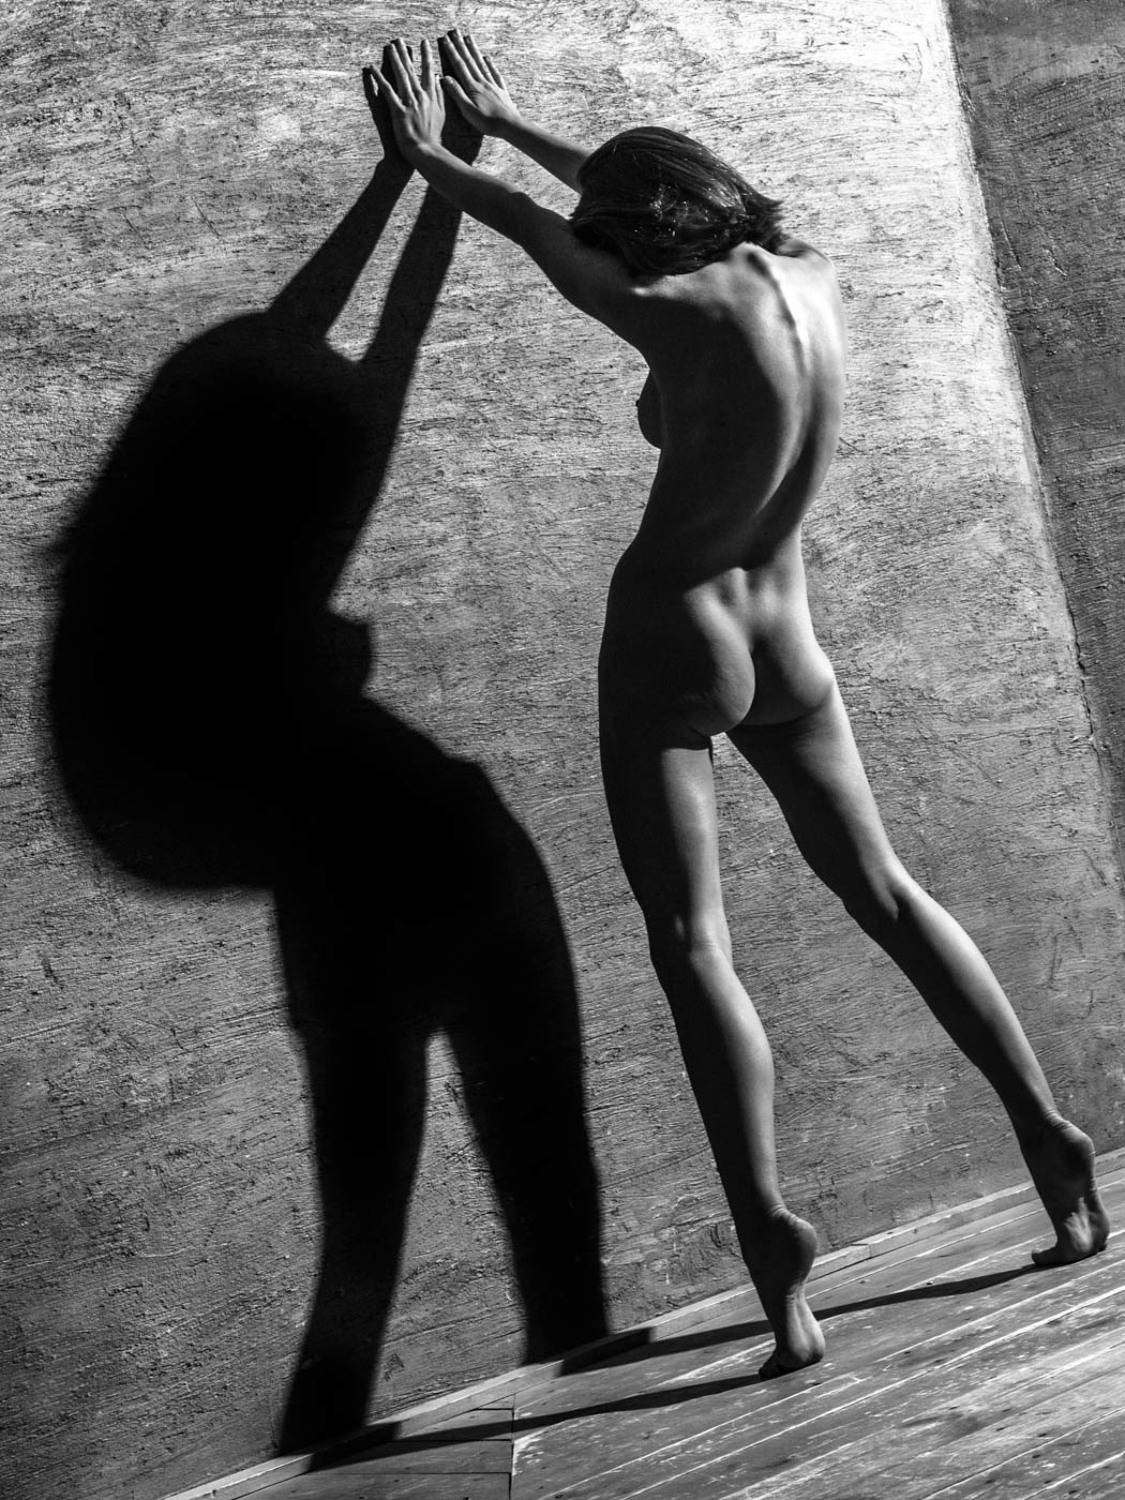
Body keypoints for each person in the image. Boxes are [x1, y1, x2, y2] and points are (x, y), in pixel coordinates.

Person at [367, 31, 1110, 1377]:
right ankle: (1047, 1139)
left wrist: (430, 155)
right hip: (790, 639)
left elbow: (532, 224)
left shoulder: (668, 308)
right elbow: (608, 199)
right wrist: (519, 120)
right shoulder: (809, 275)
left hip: (676, 636)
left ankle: (772, 1247)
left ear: (639, 235)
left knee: (691, 944)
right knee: (887, 891)